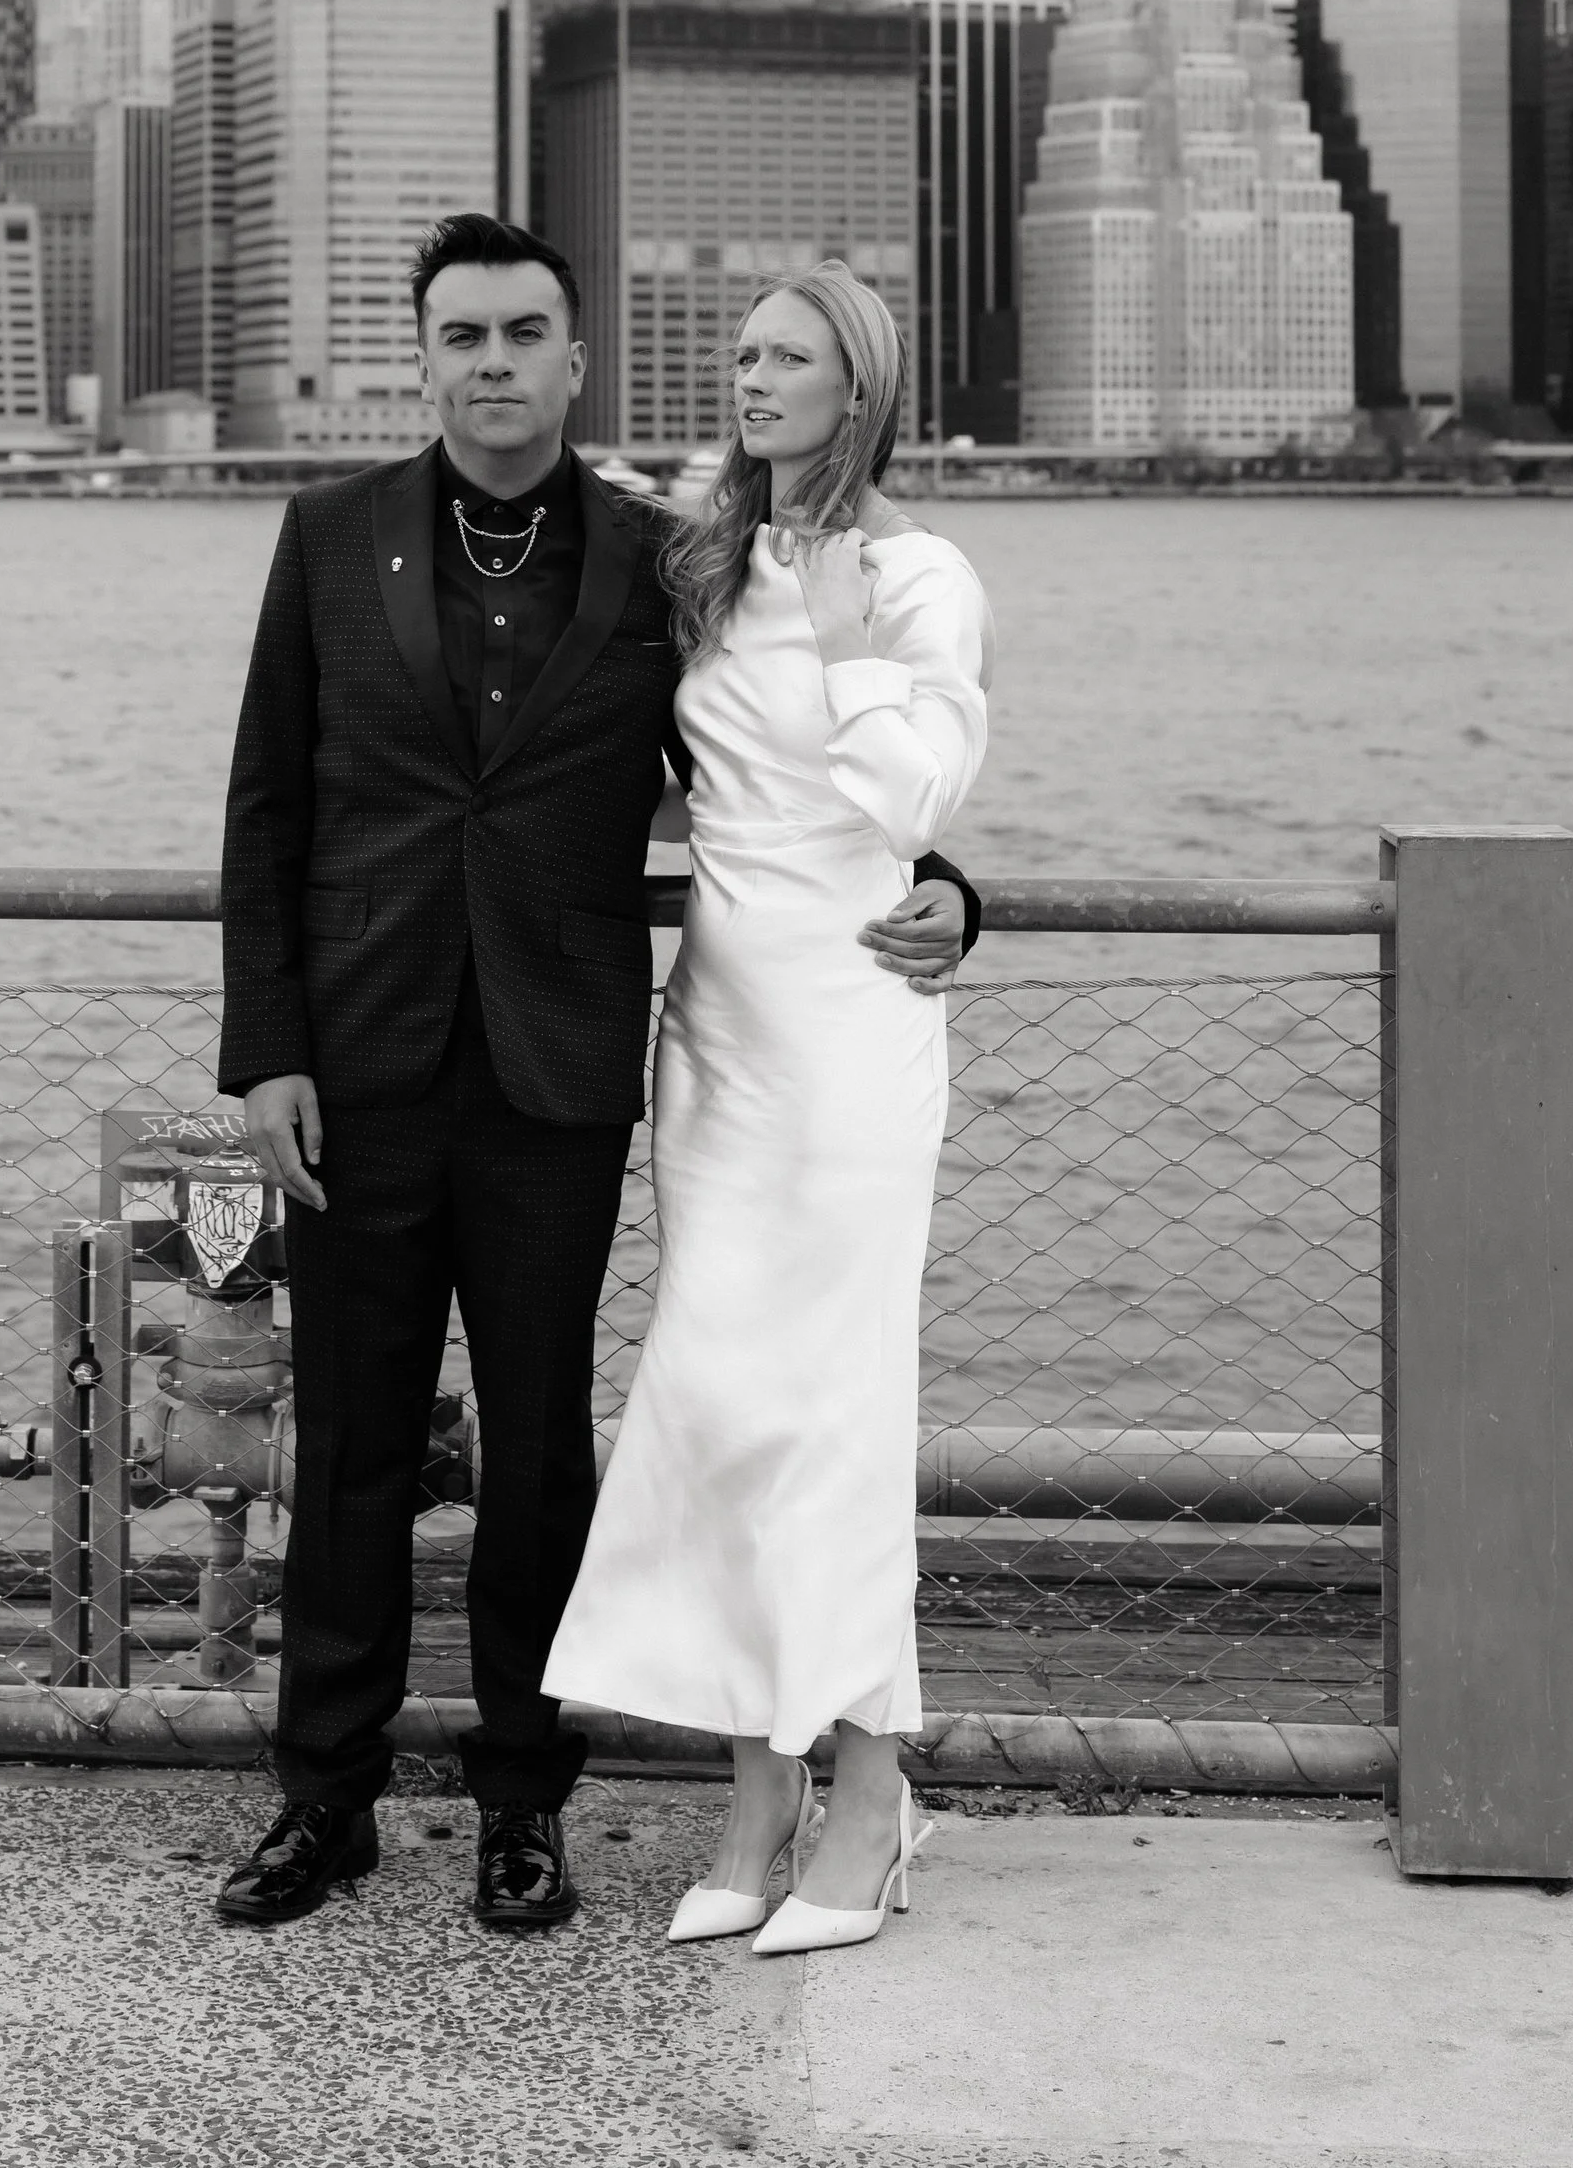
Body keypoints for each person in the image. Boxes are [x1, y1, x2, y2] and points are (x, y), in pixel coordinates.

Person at [210, 214, 978, 1935]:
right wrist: (263, 1051)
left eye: (525, 333)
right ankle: (321, 1803)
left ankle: (520, 1803)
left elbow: (779, 778)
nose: (493, 361)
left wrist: (947, 892)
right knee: (346, 1444)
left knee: (544, 1451)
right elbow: (267, 805)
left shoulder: (664, 560)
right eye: (461, 334)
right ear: (425, 357)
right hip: (359, 1063)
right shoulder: (330, 538)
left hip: (560, 1072)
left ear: (576, 359)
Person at [543, 261, 992, 1955]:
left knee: (839, 1413)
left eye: (788, 357)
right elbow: (680, 774)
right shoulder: (711, 562)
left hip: (853, 1037)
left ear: (856, 386)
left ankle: (866, 1799)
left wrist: (865, 650)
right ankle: (760, 1790)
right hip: (717, 1036)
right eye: (739, 353)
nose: (750, 377)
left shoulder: (921, 574)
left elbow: (907, 797)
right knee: (725, 1408)